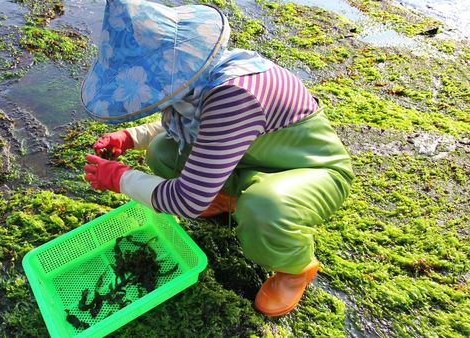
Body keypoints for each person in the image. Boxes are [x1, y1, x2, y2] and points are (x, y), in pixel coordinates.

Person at [81, 0, 353, 317]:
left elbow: (187, 200)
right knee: (162, 152)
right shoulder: (198, 80)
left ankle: (295, 268)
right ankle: (225, 198)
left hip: (313, 169)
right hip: (248, 160)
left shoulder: (234, 94)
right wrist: (130, 138)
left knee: (263, 207)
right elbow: (194, 125)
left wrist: (118, 178)